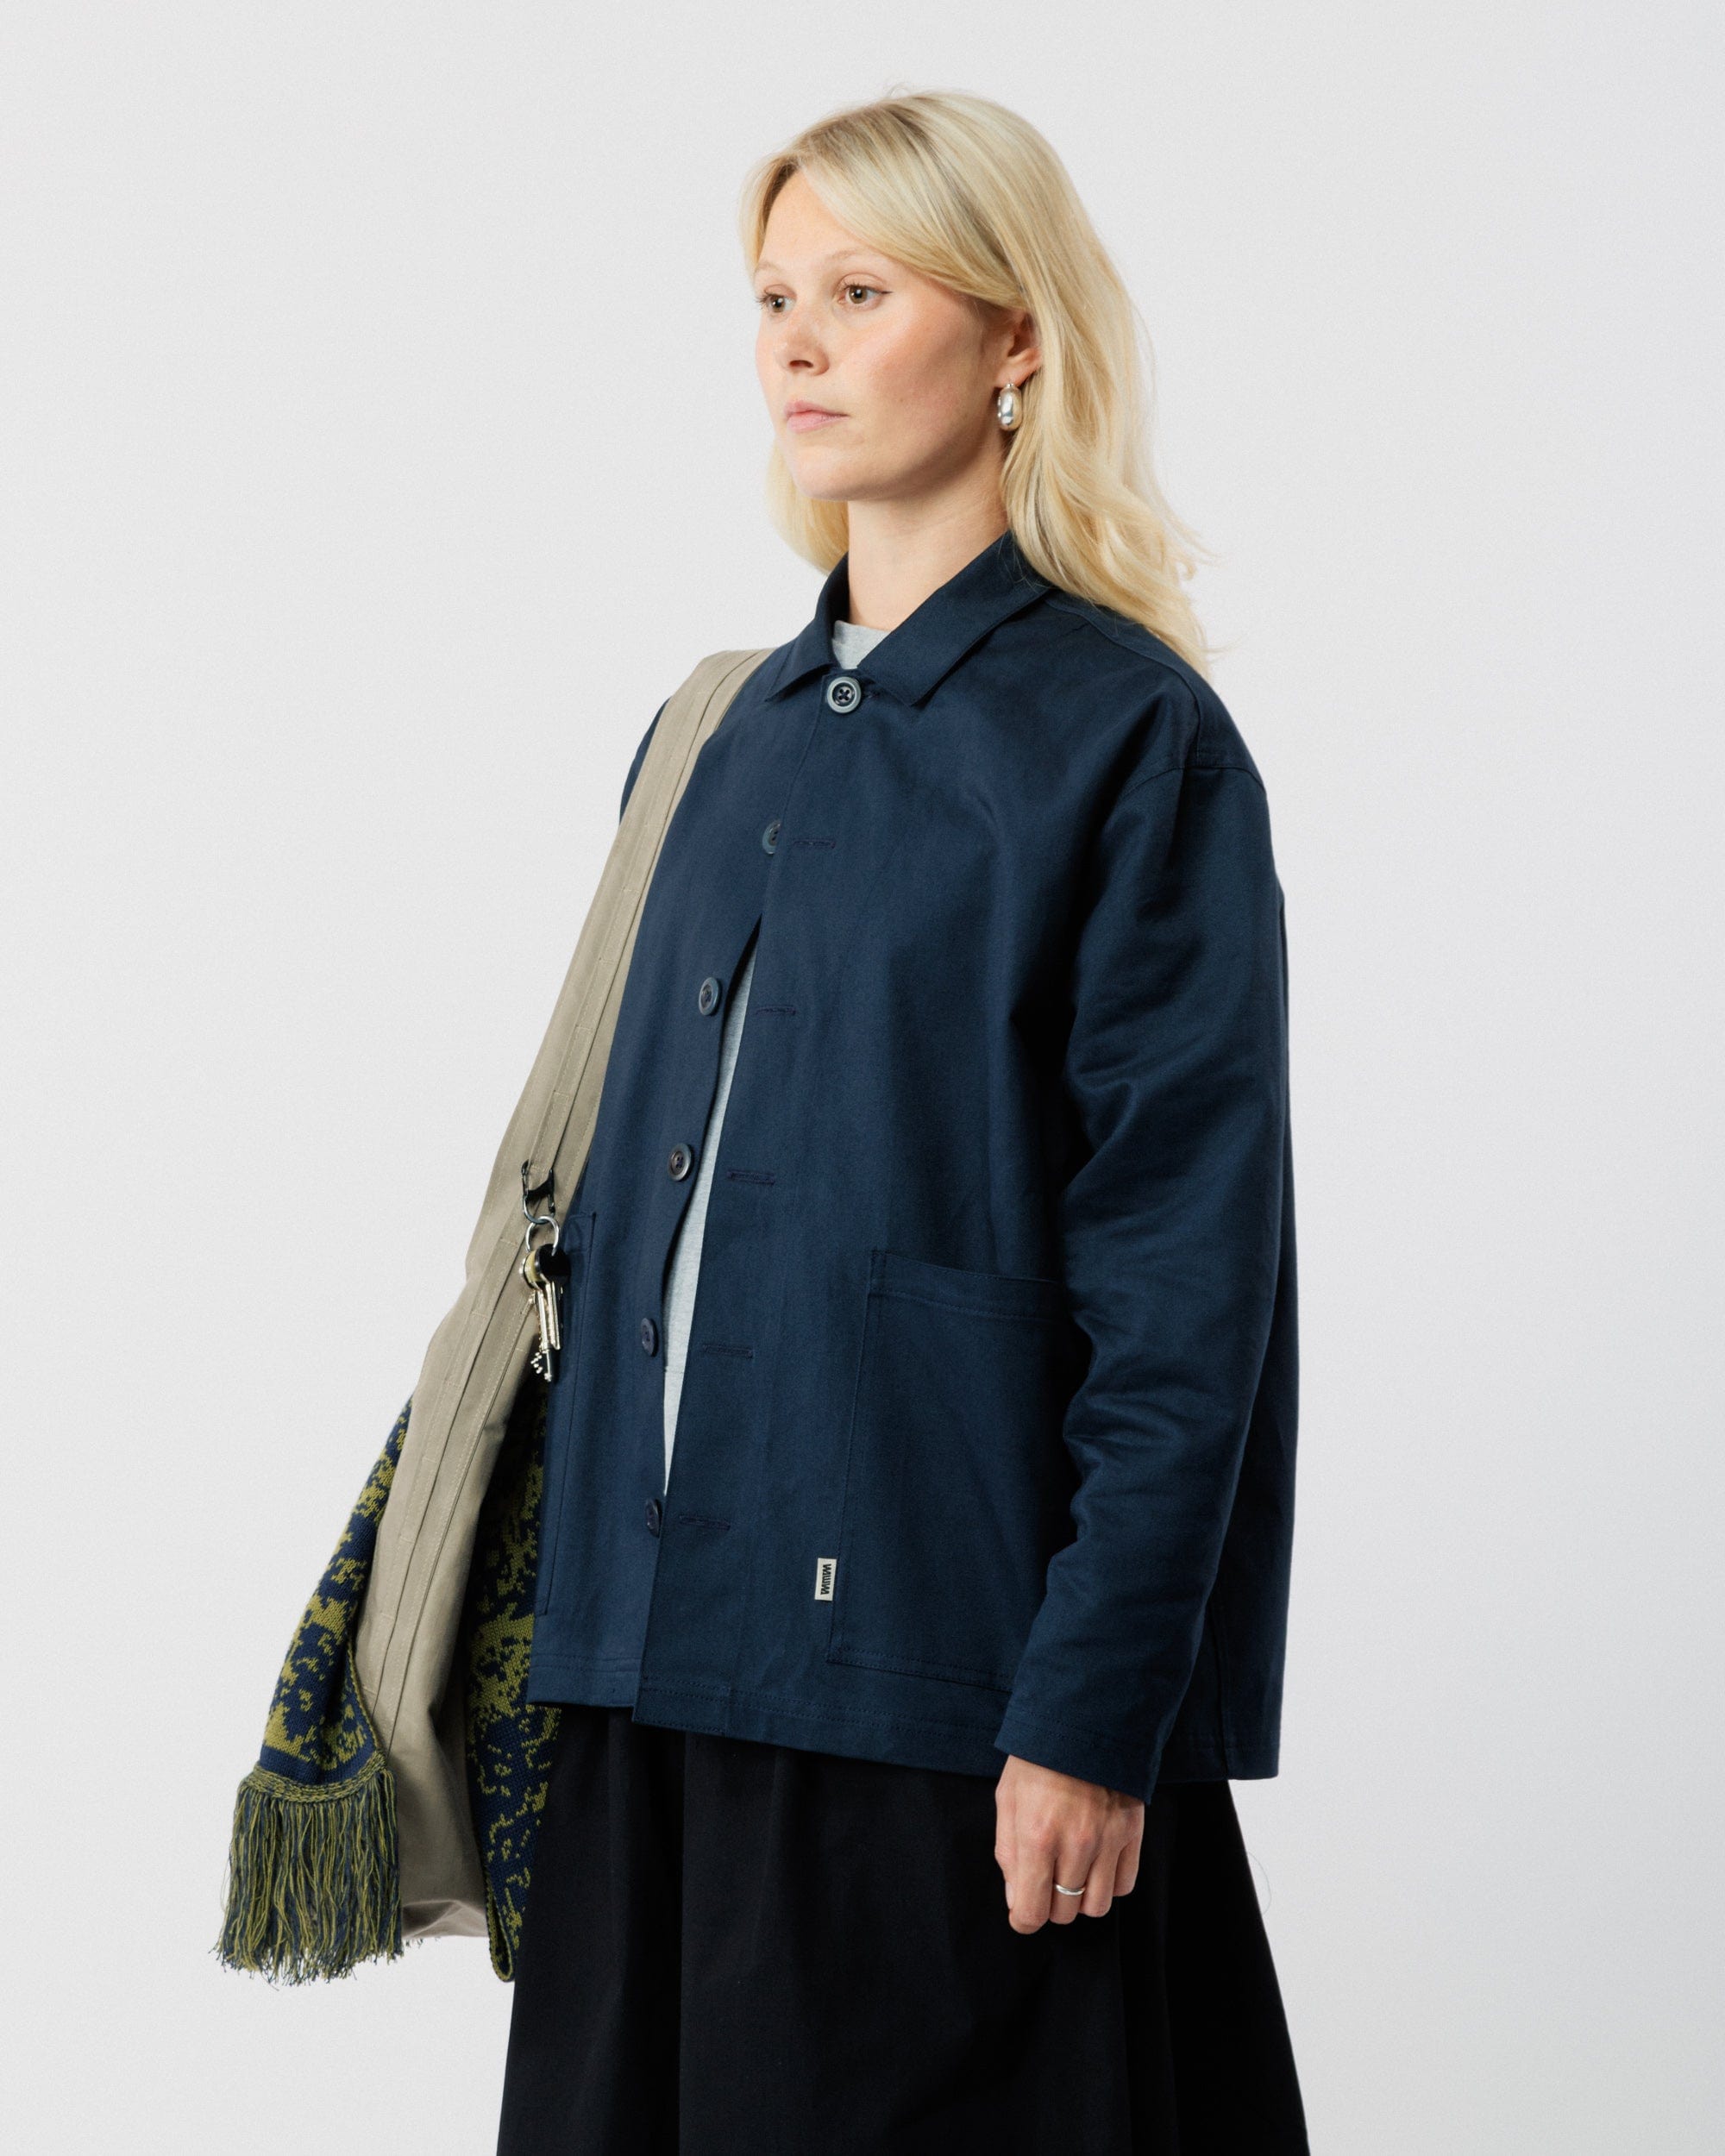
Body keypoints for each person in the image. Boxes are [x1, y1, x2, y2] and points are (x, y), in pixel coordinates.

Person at [495, 90, 1306, 2155]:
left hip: (944, 1683)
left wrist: (1093, 1708)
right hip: (652, 1673)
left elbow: (1185, 1289)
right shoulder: (711, 736)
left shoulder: (1130, 743)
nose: (798, 340)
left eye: (862, 292)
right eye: (774, 295)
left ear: (1015, 335)